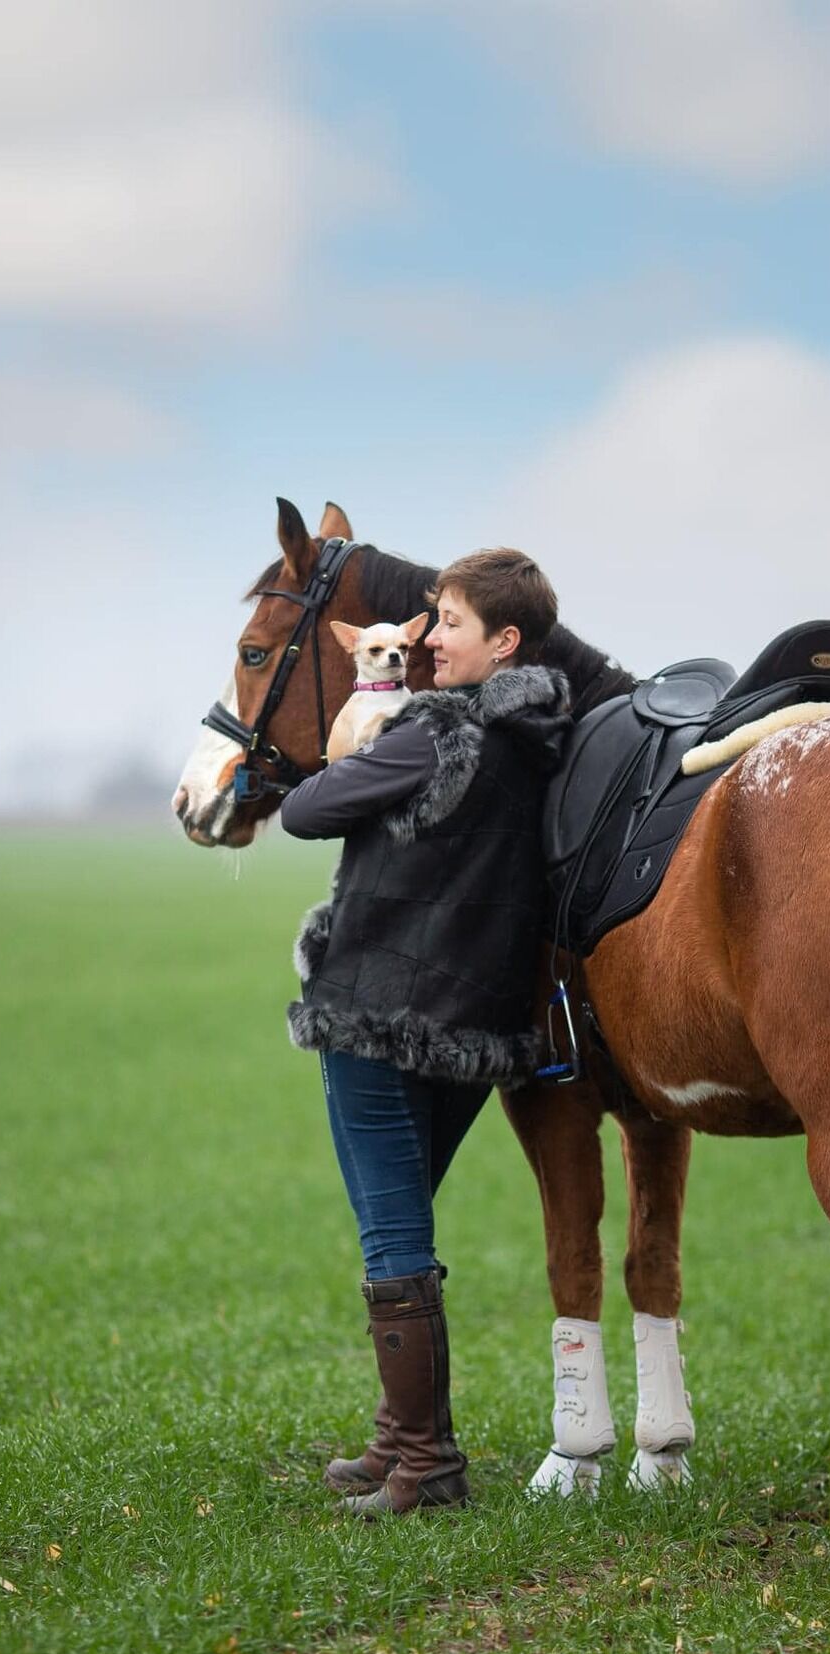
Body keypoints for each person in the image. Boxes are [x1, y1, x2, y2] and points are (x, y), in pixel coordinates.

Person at [280, 548, 570, 1515]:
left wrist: (359, 741)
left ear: (505, 642)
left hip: (376, 1015)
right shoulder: (543, 741)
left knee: (393, 1237)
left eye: (446, 622)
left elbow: (305, 810)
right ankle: (396, 1442)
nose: (424, 639)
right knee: (403, 1226)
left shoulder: (432, 734)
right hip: (475, 1029)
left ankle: (427, 1461)